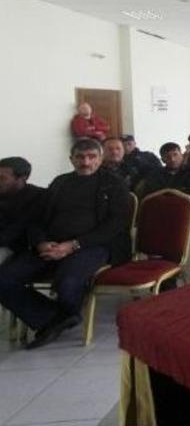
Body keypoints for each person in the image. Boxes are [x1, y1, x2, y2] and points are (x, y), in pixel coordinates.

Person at [0, 139, 129, 349]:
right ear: (71, 159)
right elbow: (37, 219)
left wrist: (73, 245)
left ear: (100, 158)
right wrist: (41, 242)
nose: (85, 162)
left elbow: (114, 226)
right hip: (51, 245)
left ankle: (58, 317)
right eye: (80, 157)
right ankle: (53, 319)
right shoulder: (60, 183)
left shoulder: (114, 183)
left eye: (91, 157)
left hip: (93, 245)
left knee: (68, 282)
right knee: (4, 279)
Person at [0, 157, 44, 265]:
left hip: (13, 247)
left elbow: (16, 231)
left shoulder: (38, 197)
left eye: (2, 178)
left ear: (22, 178)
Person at [138, 142, 190, 207]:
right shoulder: (155, 175)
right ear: (163, 160)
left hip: (184, 211)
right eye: (167, 157)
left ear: (182, 155)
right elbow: (150, 198)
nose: (172, 159)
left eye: (175, 155)